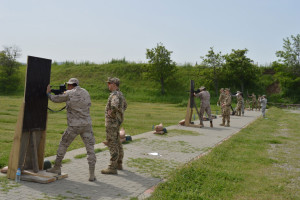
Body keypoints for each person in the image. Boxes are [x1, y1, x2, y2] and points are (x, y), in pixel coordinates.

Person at [46, 78, 96, 181]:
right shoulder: (86, 92)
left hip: (74, 125)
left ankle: (56, 167)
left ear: (70, 85)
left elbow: (55, 99)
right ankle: (92, 174)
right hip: (87, 125)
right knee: (90, 149)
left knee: (63, 145)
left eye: (68, 85)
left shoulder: (69, 93)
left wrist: (48, 94)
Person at [101, 77, 127, 174]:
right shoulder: (121, 94)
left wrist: (112, 113)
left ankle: (112, 167)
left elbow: (114, 106)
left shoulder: (115, 95)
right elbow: (125, 106)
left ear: (114, 84)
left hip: (112, 123)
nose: (108, 85)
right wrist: (120, 115)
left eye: (109, 83)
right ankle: (119, 163)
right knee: (117, 142)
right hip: (117, 122)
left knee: (112, 143)